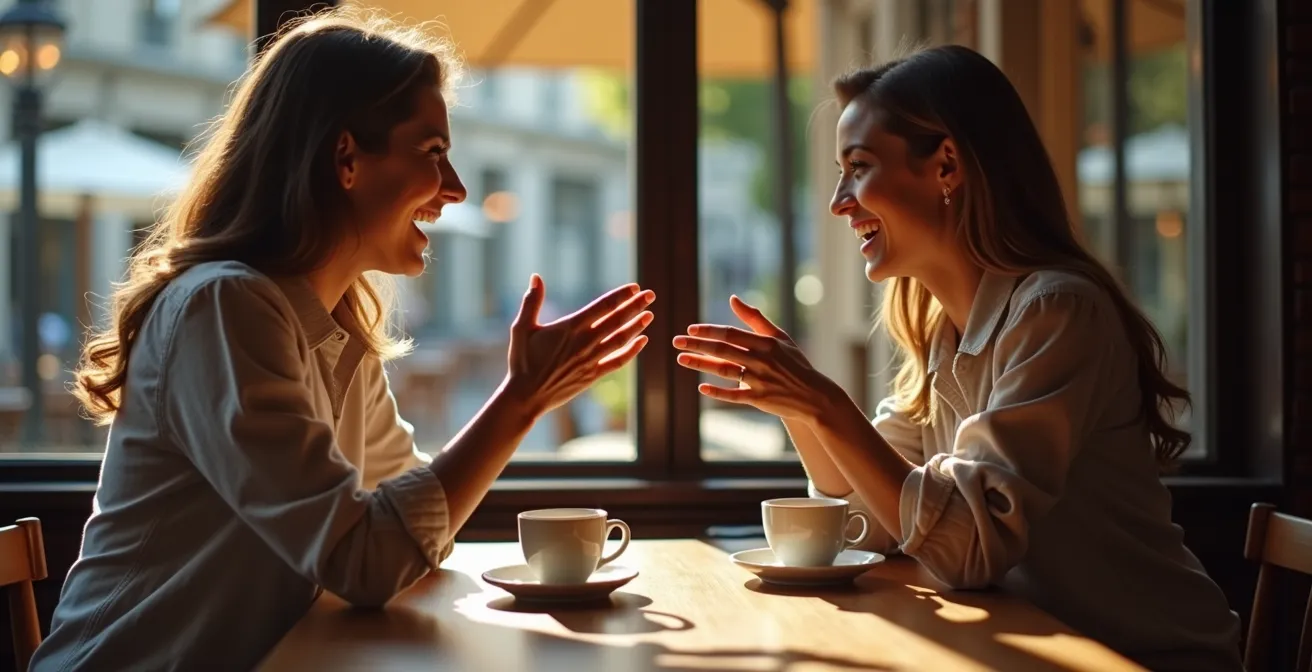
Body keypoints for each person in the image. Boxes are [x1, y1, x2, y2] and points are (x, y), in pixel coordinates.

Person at [31, 9, 654, 672]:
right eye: (433, 153)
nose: (456, 189)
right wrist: (519, 402)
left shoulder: (335, 327)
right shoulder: (224, 307)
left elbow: (411, 522)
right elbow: (368, 559)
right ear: (346, 157)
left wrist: (520, 401)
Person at [674, 45, 1243, 671]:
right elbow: (879, 522)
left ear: (947, 164)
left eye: (858, 167)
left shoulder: (1057, 311)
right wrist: (798, 406)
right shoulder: (943, 328)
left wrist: (827, 404)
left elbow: (969, 548)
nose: (839, 201)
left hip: (1146, 658)